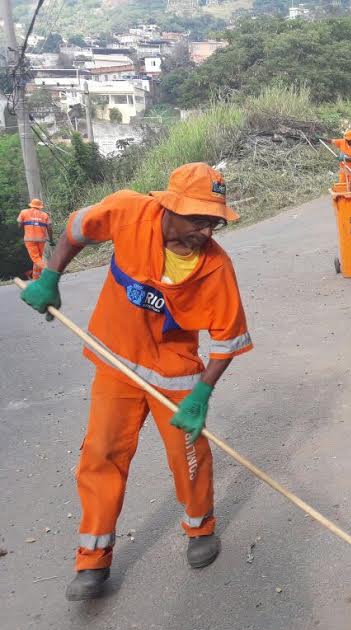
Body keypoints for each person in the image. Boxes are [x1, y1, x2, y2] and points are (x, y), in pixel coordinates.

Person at [19, 163, 253, 601]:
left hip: (177, 371)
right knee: (102, 453)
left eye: (212, 221)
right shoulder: (129, 212)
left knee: (189, 456)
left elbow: (227, 339)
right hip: (117, 360)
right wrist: (50, 276)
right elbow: (75, 228)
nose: (204, 231)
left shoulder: (216, 267)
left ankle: (200, 528)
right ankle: (93, 558)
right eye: (196, 218)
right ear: (168, 206)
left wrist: (201, 392)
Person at [17, 198, 54, 280]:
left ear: (31, 205)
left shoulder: (24, 212)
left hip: (30, 240)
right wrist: (51, 239)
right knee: (38, 259)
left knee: (36, 259)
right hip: (41, 240)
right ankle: (35, 278)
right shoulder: (45, 215)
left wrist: (24, 226)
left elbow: (19, 225)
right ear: (40, 206)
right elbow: (50, 227)